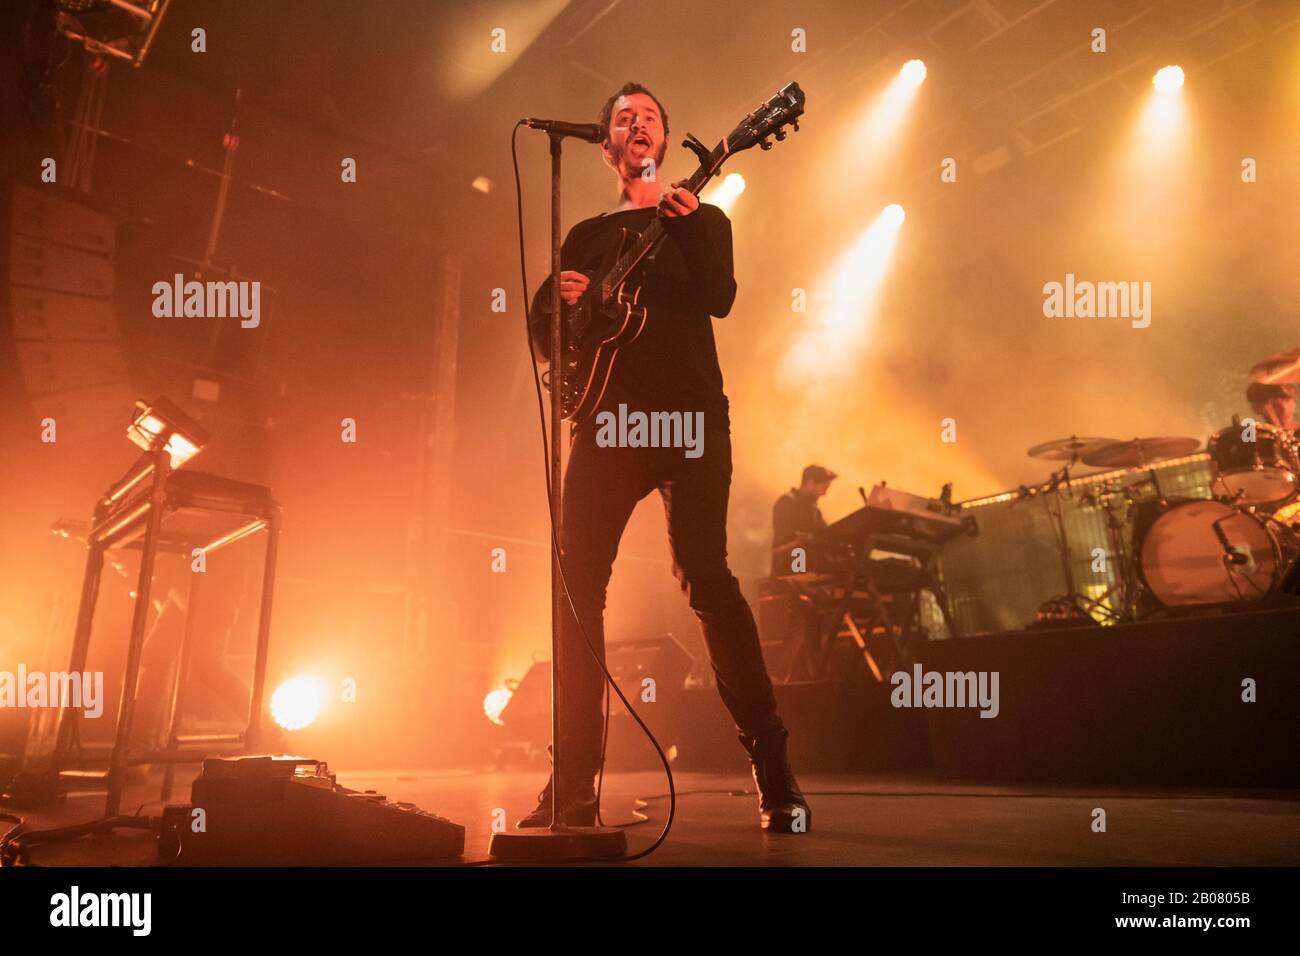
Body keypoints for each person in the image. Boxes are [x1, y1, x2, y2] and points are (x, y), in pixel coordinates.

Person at [522, 82, 809, 833]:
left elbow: (720, 297)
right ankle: (573, 784)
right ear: (607, 144)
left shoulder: (704, 215)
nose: (636, 124)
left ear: (666, 137)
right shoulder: (585, 233)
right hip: (607, 423)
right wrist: (558, 299)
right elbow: (553, 341)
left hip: (688, 420)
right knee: (575, 589)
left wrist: (683, 232)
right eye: (622, 118)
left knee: (707, 577)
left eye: (649, 116)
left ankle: (774, 773)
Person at [771, 464, 837, 576]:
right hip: (788, 573)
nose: (825, 493)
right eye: (824, 488)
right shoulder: (787, 502)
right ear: (811, 483)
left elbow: (825, 534)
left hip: (802, 573)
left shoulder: (814, 510)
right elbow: (783, 543)